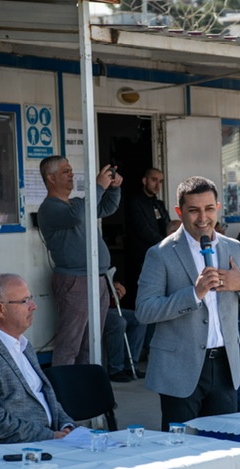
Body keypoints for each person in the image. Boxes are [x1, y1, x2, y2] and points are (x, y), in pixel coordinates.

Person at [135, 176, 240, 431]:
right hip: (179, 368)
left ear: (218, 208)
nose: (203, 218)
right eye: (194, 210)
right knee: (181, 445)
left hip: (225, 365)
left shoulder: (234, 248)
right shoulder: (160, 253)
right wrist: (194, 294)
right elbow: (145, 310)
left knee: (223, 443)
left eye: (209, 209)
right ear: (179, 211)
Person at [0, 274, 75, 444]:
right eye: (25, 301)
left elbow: (45, 396)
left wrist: (67, 425)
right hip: (22, 449)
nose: (33, 306)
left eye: (31, 299)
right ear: (0, 310)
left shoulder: (23, 344)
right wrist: (50, 436)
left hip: (55, 440)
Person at [37, 155, 122, 366]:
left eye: (71, 171)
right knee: (70, 343)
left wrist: (113, 188)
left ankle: (86, 384)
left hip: (97, 278)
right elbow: (78, 215)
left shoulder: (76, 203)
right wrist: (98, 187)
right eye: (65, 171)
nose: (71, 175)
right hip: (75, 280)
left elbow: (107, 208)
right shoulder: (49, 208)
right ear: (51, 178)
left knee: (91, 343)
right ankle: (64, 386)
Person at [127, 167, 171, 306]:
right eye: (154, 180)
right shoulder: (135, 202)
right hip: (142, 257)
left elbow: (169, 226)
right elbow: (143, 230)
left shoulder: (159, 204)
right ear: (144, 181)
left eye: (160, 181)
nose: (158, 185)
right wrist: (166, 243)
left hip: (161, 255)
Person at [103, 281, 147, 382]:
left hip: (111, 308)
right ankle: (115, 369)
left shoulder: (104, 274)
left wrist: (114, 287)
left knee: (140, 319)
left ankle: (131, 366)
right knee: (118, 322)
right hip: (97, 310)